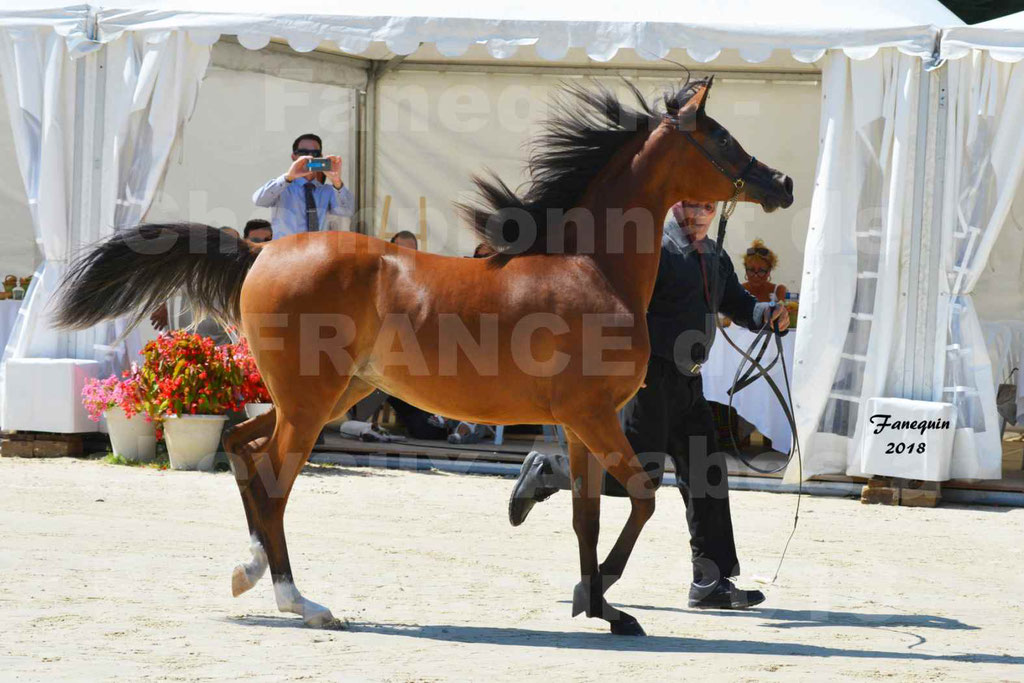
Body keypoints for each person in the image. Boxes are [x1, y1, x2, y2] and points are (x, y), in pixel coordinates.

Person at [507, 200, 789, 610]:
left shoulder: (714, 255)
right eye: (693, 203)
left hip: (690, 384)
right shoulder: (650, 250)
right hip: (647, 381)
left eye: (709, 205)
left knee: (708, 477)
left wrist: (768, 314)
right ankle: (550, 471)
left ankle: (711, 582)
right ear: (675, 203)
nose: (702, 212)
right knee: (637, 477)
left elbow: (739, 305)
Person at [252, 133, 354, 239]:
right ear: (294, 156)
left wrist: (336, 180)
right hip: (287, 252)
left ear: (320, 157)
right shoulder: (282, 187)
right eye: (303, 153)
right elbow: (259, 200)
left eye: (315, 153)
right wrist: (288, 177)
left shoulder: (326, 190)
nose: (310, 157)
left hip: (317, 251)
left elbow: (346, 211)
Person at [742, 238, 787, 303]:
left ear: (769, 271)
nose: (756, 276)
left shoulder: (778, 291)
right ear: (746, 270)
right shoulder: (738, 291)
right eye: (751, 270)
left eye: (761, 271)